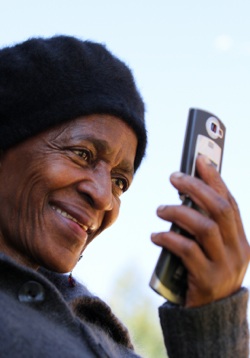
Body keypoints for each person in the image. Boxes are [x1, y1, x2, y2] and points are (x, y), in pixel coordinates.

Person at [0, 35, 249, 358]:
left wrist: (212, 325)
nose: (104, 198)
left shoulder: (95, 327)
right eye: (82, 153)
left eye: (119, 182)